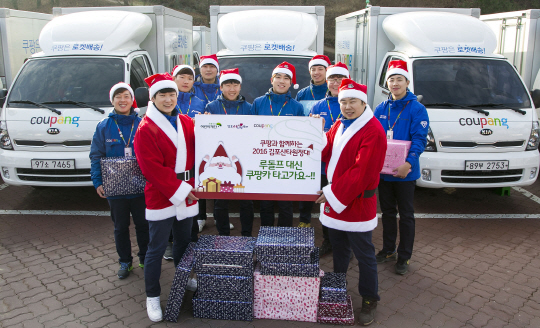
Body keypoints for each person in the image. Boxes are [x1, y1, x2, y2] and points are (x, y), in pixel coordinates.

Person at [315, 79, 386, 326]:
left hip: (355, 202)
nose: (347, 106)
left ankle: (369, 298)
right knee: (340, 248)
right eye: (343, 101)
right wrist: (313, 135)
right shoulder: (340, 124)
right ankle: (337, 285)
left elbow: (362, 171)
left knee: (364, 253)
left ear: (363, 102)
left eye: (352, 101)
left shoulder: (373, 130)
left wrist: (333, 193)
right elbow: (326, 149)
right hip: (337, 199)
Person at [133, 73, 199, 322]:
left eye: (172, 94)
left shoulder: (187, 121)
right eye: (163, 95)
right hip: (163, 194)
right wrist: (182, 190)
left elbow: (203, 145)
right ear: (153, 98)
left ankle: (183, 279)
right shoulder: (145, 129)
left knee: (183, 243)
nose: (169, 99)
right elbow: (151, 169)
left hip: (187, 191)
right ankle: (152, 296)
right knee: (157, 248)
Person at [374, 60, 429, 275]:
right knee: (387, 212)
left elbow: (420, 140)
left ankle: (404, 255)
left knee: (406, 215)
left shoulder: (417, 108)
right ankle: (388, 249)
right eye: (391, 80)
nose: (395, 84)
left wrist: (408, 163)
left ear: (407, 82)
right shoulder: (381, 108)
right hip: (384, 173)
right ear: (387, 83)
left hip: (405, 172)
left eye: (399, 79)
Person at [90, 82, 148, 280]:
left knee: (143, 225)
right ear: (112, 100)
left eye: (126, 96)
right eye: (118, 97)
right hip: (114, 187)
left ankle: (145, 258)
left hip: (141, 186)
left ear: (133, 100)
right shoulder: (104, 126)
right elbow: (96, 155)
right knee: (120, 227)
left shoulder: (142, 123)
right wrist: (98, 182)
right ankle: (125, 261)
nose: (122, 100)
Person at [159, 65, 205, 262]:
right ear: (174, 79)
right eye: (182, 77)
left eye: (189, 78)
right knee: (168, 204)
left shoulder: (202, 102)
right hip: (170, 165)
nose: (186, 81)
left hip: (190, 162)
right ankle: (170, 243)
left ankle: (190, 242)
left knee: (190, 204)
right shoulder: (162, 107)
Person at [251, 61, 304, 227]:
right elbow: (250, 132)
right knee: (265, 205)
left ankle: (284, 238)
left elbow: (301, 135)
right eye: (278, 77)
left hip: (286, 163)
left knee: (285, 205)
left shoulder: (297, 107)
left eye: (286, 78)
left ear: (291, 82)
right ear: (271, 79)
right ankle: (266, 237)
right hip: (263, 162)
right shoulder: (258, 103)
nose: (282, 81)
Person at [204, 68, 254, 236]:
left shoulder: (249, 107)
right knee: (220, 200)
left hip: (244, 158)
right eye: (227, 85)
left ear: (240, 87)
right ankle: (223, 234)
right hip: (220, 159)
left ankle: (246, 234)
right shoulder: (211, 107)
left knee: (246, 200)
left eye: (235, 85)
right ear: (221, 88)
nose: (231, 89)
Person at [308, 62, 350, 256]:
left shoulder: (353, 103)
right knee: (325, 203)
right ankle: (328, 240)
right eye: (332, 79)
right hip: (324, 165)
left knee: (345, 202)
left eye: (339, 79)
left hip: (346, 165)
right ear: (327, 81)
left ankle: (345, 243)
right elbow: (309, 134)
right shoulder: (318, 106)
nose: (335, 83)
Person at [296, 55, 331, 237]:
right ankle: (304, 219)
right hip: (308, 149)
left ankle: (327, 226)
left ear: (327, 71)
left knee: (326, 187)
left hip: (329, 152)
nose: (317, 72)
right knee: (307, 185)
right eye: (313, 69)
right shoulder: (302, 94)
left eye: (320, 69)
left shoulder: (335, 91)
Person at [192, 54, 223, 234]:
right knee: (201, 175)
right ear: (200, 69)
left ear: (217, 70)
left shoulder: (225, 85)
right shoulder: (192, 89)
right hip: (199, 139)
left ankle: (220, 217)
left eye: (212, 66)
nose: (209, 70)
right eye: (205, 67)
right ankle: (200, 217)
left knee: (218, 173)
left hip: (220, 138)